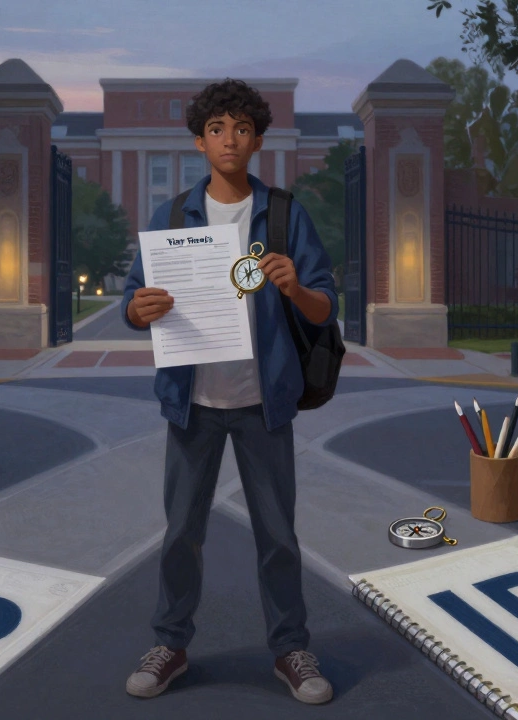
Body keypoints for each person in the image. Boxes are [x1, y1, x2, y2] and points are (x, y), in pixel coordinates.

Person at [120, 78, 338, 705]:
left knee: (278, 534)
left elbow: (324, 311)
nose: (230, 139)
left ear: (258, 140)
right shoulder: (170, 218)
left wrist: (296, 287)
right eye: (217, 128)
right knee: (181, 531)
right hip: (192, 404)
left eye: (242, 128)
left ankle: (290, 648)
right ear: (199, 140)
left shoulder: (284, 213)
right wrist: (139, 309)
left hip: (263, 402)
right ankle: (171, 643)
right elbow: (133, 308)